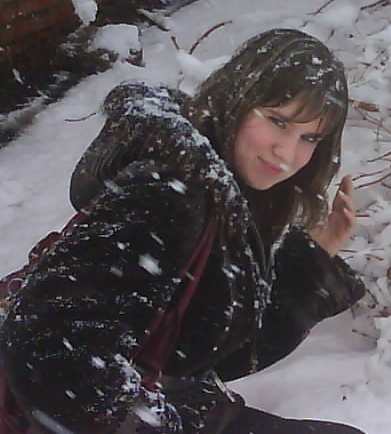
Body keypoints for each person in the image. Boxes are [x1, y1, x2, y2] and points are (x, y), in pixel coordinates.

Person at [0, 28, 366, 433]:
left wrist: (317, 255)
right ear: (237, 101)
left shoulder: (228, 196)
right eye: (277, 121)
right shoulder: (167, 194)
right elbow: (51, 357)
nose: (288, 153)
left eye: (309, 137)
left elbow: (212, 353)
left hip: (169, 408)